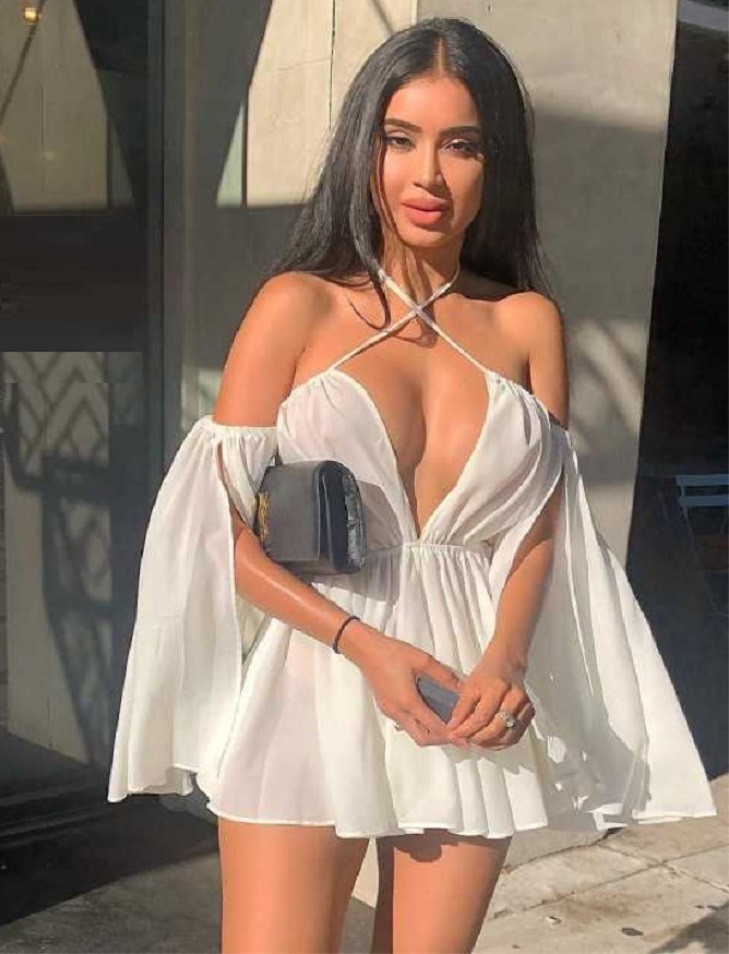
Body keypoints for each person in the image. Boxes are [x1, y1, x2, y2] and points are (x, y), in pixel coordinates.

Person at [107, 16, 717, 954]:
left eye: (460, 145)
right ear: (365, 148)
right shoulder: (298, 305)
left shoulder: (526, 324)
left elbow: (540, 529)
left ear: (496, 164)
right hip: (316, 678)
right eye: (400, 139)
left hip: (466, 696)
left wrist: (507, 658)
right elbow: (212, 528)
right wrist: (363, 644)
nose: (427, 175)